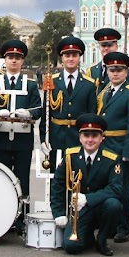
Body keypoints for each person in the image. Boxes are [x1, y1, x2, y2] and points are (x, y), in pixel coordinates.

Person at [0, 39, 42, 229]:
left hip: (22, 138)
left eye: (17, 58)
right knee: (2, 177)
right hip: (0, 138)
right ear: (4, 60)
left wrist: (29, 113)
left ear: (22, 61)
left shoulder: (30, 84)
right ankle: (2, 216)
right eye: (10, 58)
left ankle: (21, 219)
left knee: (22, 178)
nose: (14, 61)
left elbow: (38, 109)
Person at [50, 114, 123, 256]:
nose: (90, 140)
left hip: (101, 207)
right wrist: (58, 213)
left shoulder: (112, 159)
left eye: (95, 136)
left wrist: (88, 199)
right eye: (86, 135)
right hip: (78, 211)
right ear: (80, 137)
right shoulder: (70, 156)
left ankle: (102, 240)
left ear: (102, 138)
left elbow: (116, 189)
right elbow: (57, 186)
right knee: (71, 247)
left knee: (114, 205)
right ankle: (88, 236)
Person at [97, 50, 129, 243]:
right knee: (106, 187)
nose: (115, 73)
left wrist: (128, 153)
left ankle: (124, 228)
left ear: (126, 72)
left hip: (121, 146)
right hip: (105, 146)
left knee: (123, 190)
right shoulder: (105, 91)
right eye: (111, 70)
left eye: (119, 70)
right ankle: (110, 225)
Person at [38, 36, 95, 172]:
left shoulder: (89, 84)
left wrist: (90, 139)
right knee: (55, 179)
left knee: (78, 178)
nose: (70, 59)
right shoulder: (51, 81)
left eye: (74, 55)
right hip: (56, 138)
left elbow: (92, 115)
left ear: (79, 57)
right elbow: (45, 114)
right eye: (67, 55)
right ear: (62, 58)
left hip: (79, 138)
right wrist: (43, 139)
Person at [89, 27, 129, 93]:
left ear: (116, 46)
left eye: (109, 45)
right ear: (99, 47)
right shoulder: (91, 71)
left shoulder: (127, 70)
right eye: (103, 46)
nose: (106, 48)